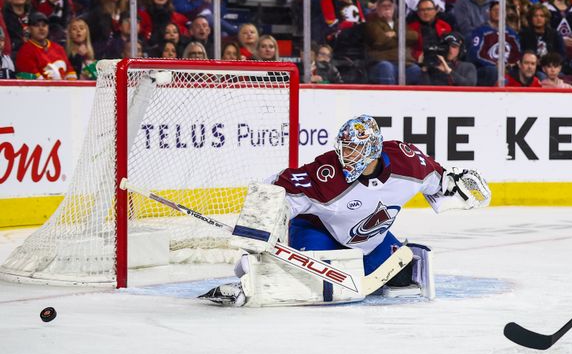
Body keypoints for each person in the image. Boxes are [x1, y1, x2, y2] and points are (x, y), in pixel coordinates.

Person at [200, 114, 490, 306]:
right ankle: (254, 277)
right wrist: (262, 222)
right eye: (344, 147)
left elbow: (440, 181)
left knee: (403, 278)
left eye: (355, 150)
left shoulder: (407, 163)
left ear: (375, 150)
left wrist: (458, 187)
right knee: (315, 287)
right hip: (318, 232)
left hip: (369, 240)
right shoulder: (328, 172)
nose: (346, 155)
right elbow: (280, 187)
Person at [15, 11, 75, 79]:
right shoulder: (25, 52)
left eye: (44, 25)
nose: (41, 29)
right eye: (37, 25)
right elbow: (34, 81)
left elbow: (70, 72)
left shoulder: (58, 48)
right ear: (29, 29)